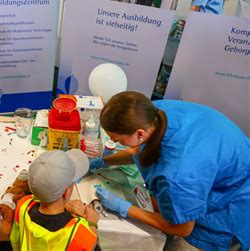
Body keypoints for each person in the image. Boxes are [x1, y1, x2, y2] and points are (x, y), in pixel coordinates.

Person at [89, 91, 250, 250]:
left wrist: (125, 208)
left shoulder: (179, 174)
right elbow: (138, 150)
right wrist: (102, 162)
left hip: (233, 201)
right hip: (224, 158)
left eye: (116, 139)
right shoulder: (153, 113)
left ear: (140, 133)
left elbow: (183, 229)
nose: (112, 141)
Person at [10, 149, 99, 250]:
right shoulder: (80, 234)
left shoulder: (23, 204)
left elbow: (16, 241)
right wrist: (92, 223)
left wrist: (65, 205)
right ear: (67, 192)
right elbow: (90, 245)